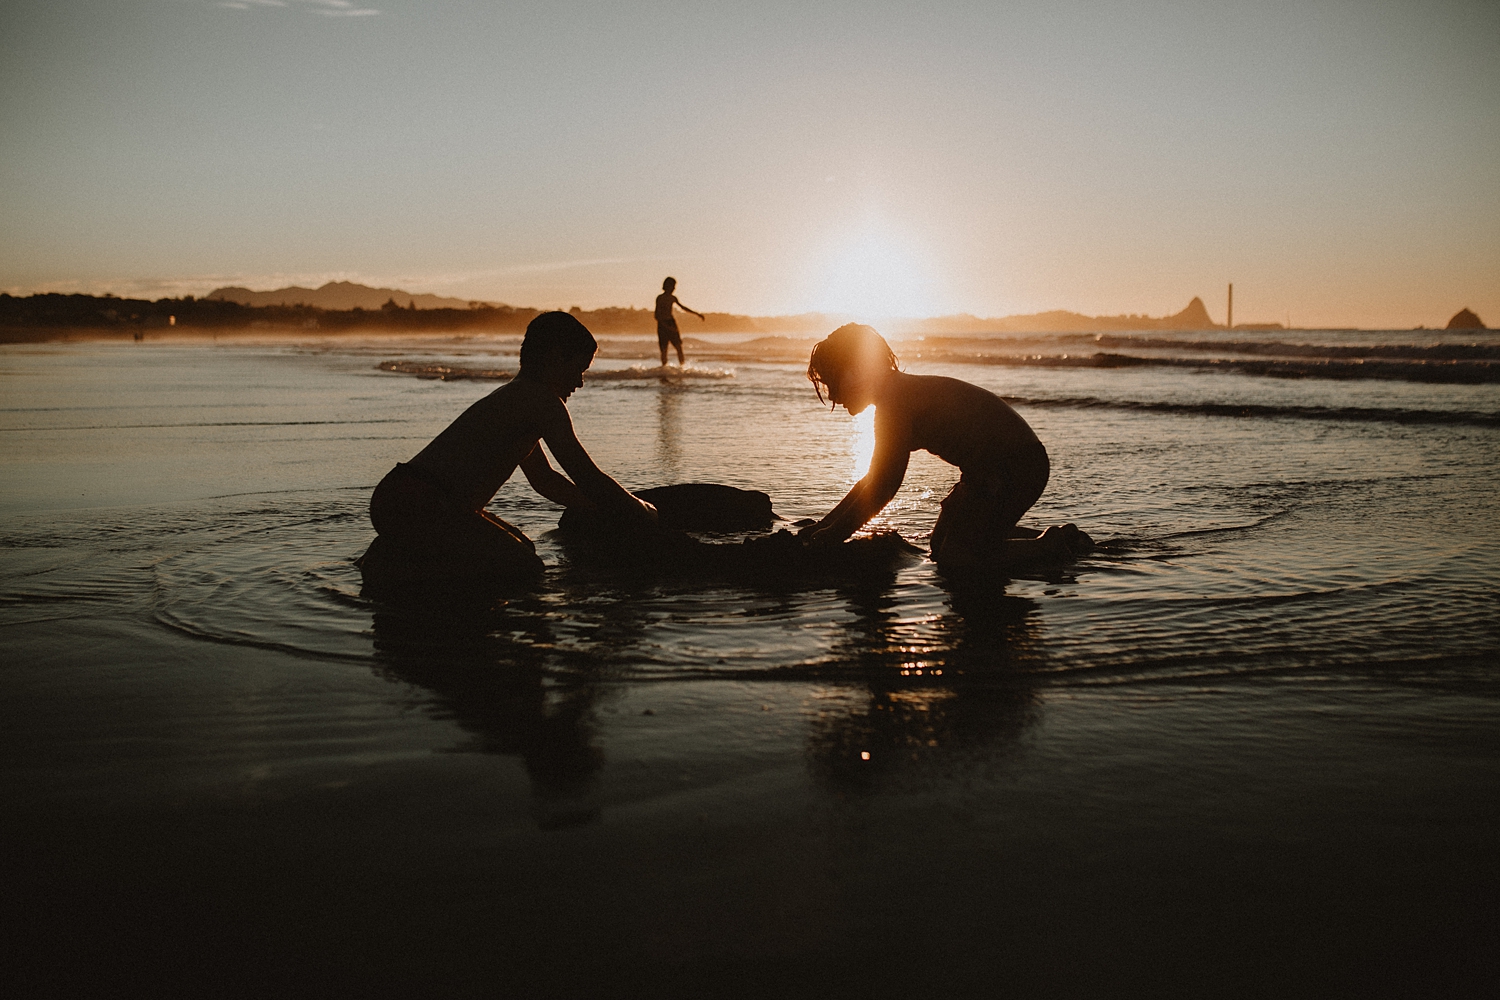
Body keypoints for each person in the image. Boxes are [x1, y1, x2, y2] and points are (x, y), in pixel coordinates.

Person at [363, 311, 657, 585]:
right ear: (555, 358)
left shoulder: (517, 397)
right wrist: (639, 509)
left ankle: (399, 554)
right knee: (525, 568)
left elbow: (545, 480)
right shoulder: (543, 402)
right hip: (420, 502)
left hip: (398, 496)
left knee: (524, 546)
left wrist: (595, 507)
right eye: (578, 369)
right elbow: (586, 474)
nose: (580, 382)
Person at [799, 323, 1087, 574]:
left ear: (859, 368)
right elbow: (874, 477)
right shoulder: (894, 394)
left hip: (1015, 466)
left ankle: (1051, 544)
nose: (832, 393)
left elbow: (886, 485)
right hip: (988, 468)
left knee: (956, 557)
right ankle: (1046, 538)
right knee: (940, 544)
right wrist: (826, 524)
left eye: (833, 380)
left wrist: (834, 535)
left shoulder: (895, 402)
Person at [654, 276, 704, 367]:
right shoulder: (660, 298)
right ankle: (664, 368)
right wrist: (665, 325)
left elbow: (683, 308)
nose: (674, 288)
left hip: (671, 323)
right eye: (672, 286)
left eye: (674, 286)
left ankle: (682, 367)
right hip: (662, 325)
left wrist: (696, 314)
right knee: (664, 349)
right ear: (667, 286)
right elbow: (656, 315)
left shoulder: (673, 298)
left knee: (679, 347)